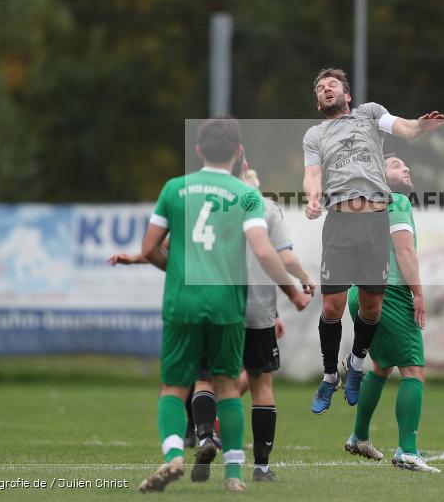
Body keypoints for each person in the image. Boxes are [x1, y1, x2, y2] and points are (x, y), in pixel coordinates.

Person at [111, 161, 315, 486]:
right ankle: (259, 468)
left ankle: (206, 435)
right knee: (259, 385)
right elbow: (280, 256)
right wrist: (301, 282)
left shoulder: (202, 200)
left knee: (205, 379)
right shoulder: (265, 206)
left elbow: (167, 248)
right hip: (257, 309)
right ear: (248, 174)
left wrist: (136, 257)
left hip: (216, 304)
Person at [302, 67, 444, 414]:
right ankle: (328, 376)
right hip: (339, 223)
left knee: (371, 309)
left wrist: (419, 127)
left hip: (373, 224)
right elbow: (312, 174)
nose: (325, 89)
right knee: (332, 308)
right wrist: (312, 197)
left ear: (347, 94)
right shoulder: (315, 134)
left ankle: (355, 364)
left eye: (331, 85)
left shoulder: (369, 113)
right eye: (320, 88)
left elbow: (405, 127)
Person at [343, 154, 439, 473]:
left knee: (382, 365)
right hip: (391, 291)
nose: (405, 167)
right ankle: (407, 452)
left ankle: (359, 437)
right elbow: (404, 249)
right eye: (395, 164)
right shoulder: (394, 199)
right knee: (413, 370)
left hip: (360, 291)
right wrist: (418, 293)